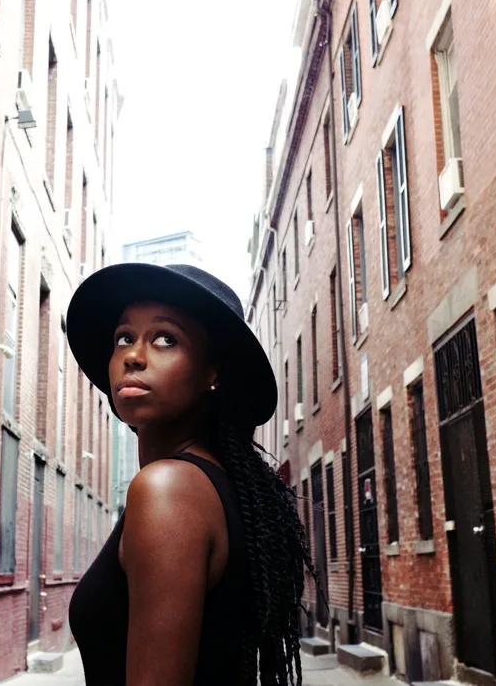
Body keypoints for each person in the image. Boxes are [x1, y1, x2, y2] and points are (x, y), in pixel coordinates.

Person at [66, 263, 314, 686]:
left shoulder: (168, 488)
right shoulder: (210, 484)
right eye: (124, 337)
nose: (133, 355)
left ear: (211, 374)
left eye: (165, 339)